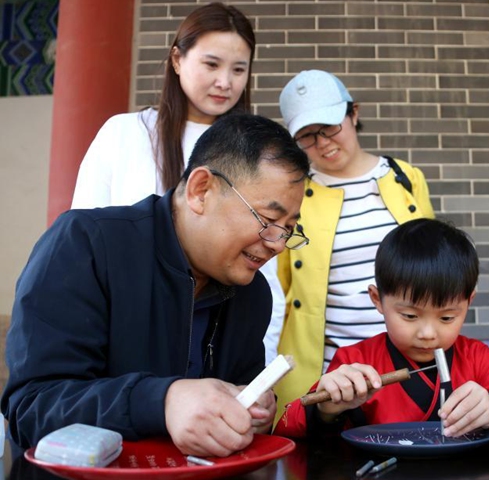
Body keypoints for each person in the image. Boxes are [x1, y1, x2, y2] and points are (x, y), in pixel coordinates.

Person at [1, 114, 310, 455]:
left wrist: (251, 412)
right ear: (201, 190)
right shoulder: (86, 245)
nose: (277, 244)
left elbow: (241, 394)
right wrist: (162, 401)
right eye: (268, 220)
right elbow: (31, 409)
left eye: (288, 229)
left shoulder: (252, 292)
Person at [70, 2, 287, 363]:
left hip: (216, 336)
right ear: (176, 59)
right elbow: (81, 247)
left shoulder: (257, 155)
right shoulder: (123, 134)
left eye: (238, 69)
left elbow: (267, 273)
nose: (225, 82)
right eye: (211, 64)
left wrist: (260, 365)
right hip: (125, 331)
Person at [274, 219, 489, 437]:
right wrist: (327, 409)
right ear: (377, 299)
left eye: (447, 318)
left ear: (469, 302)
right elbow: (288, 429)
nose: (428, 333)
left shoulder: (477, 358)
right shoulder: (354, 362)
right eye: (410, 316)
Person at [272, 70, 435, 415]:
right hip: (328, 378)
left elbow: (433, 267)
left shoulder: (405, 178)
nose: (323, 143)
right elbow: (280, 290)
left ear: (354, 113)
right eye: (307, 136)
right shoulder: (294, 194)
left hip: (405, 369)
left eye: (330, 127)